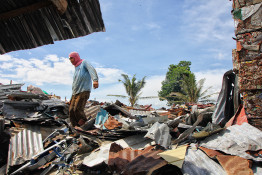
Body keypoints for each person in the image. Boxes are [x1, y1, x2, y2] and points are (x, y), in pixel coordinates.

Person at [68, 51, 99, 128]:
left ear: (75, 57)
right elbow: (74, 84)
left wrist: (95, 80)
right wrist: (71, 97)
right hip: (75, 93)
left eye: (71, 58)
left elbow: (91, 69)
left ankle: (84, 123)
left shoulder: (84, 62)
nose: (70, 60)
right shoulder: (76, 68)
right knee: (71, 110)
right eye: (69, 59)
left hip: (84, 90)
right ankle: (75, 127)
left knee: (77, 109)